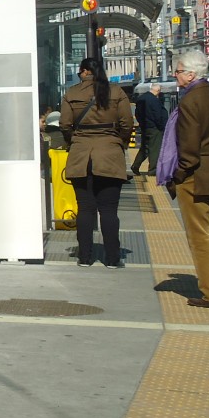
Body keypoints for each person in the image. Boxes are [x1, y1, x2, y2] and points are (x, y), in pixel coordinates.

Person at [59, 56, 134, 268]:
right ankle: (112, 259)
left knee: (85, 209)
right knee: (109, 210)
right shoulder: (116, 91)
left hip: (80, 155)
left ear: (84, 72)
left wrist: (75, 141)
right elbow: (127, 123)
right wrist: (119, 142)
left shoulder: (71, 93)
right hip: (110, 154)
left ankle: (84, 257)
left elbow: (65, 124)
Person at [160, 51, 209, 307]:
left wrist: (178, 176)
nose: (175, 75)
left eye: (179, 71)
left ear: (192, 74)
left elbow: (189, 149)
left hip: (197, 177)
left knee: (200, 235)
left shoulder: (191, 101)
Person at [130, 83, 167, 176]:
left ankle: (135, 165)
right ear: (157, 91)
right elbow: (157, 115)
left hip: (145, 127)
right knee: (154, 149)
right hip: (155, 128)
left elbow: (137, 114)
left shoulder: (141, 99)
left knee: (144, 148)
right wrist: (161, 126)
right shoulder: (154, 100)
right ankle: (152, 170)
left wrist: (141, 124)